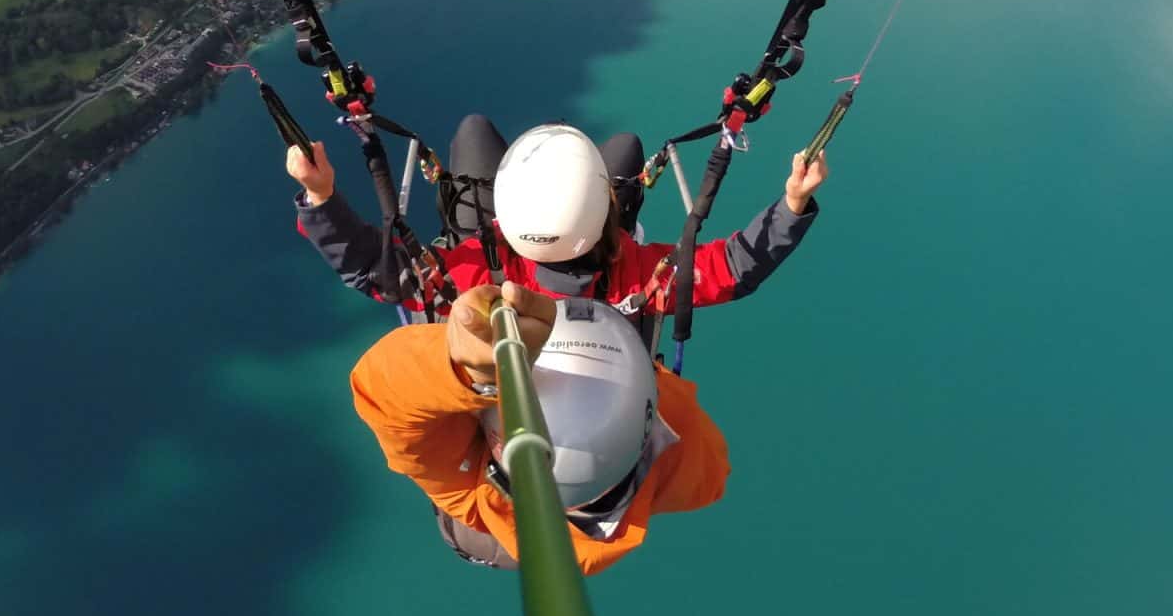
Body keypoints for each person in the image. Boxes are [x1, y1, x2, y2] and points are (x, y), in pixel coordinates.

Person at [290, 114, 827, 339]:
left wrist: (321, 195)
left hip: (490, 262)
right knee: (624, 149)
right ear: (606, 217)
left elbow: (370, 268)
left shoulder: (471, 279)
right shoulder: (637, 276)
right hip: (581, 277)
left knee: (474, 131)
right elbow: (735, 268)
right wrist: (793, 202)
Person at [350, 279, 729, 573]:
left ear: (497, 446)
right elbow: (711, 475)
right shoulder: (682, 447)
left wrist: (470, 373)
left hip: (484, 536)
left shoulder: (466, 486)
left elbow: (384, 393)